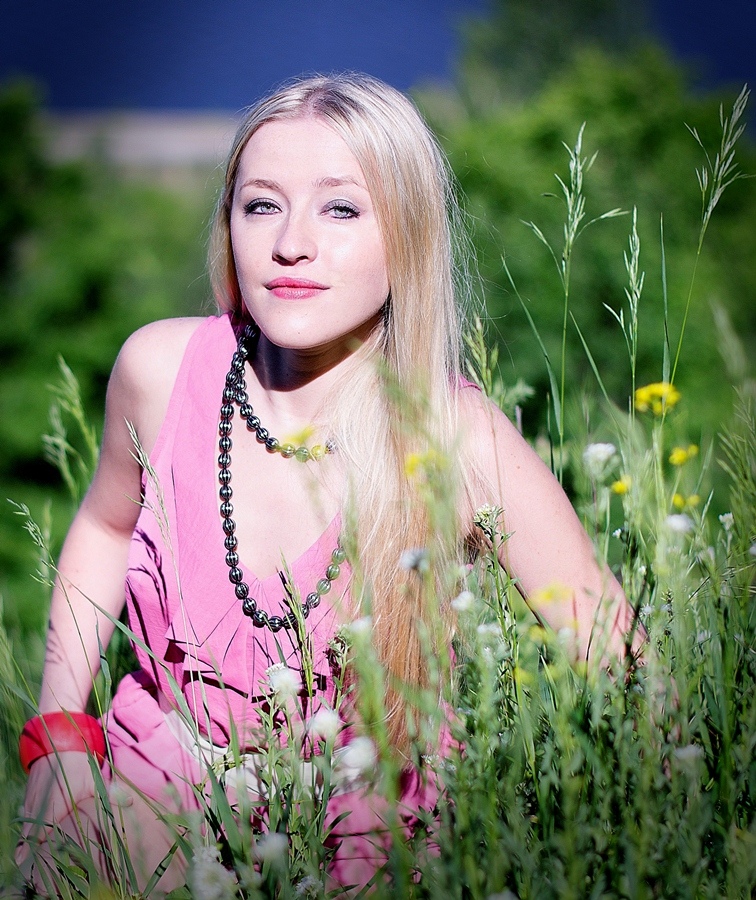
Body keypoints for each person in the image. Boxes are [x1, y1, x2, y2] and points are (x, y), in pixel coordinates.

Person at [16, 73, 642, 895]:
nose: (291, 244)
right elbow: (104, 528)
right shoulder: (161, 372)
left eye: (341, 209)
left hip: (370, 843)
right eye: (261, 205)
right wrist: (59, 740)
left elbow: (619, 659)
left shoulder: (454, 437)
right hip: (150, 811)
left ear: (408, 236)